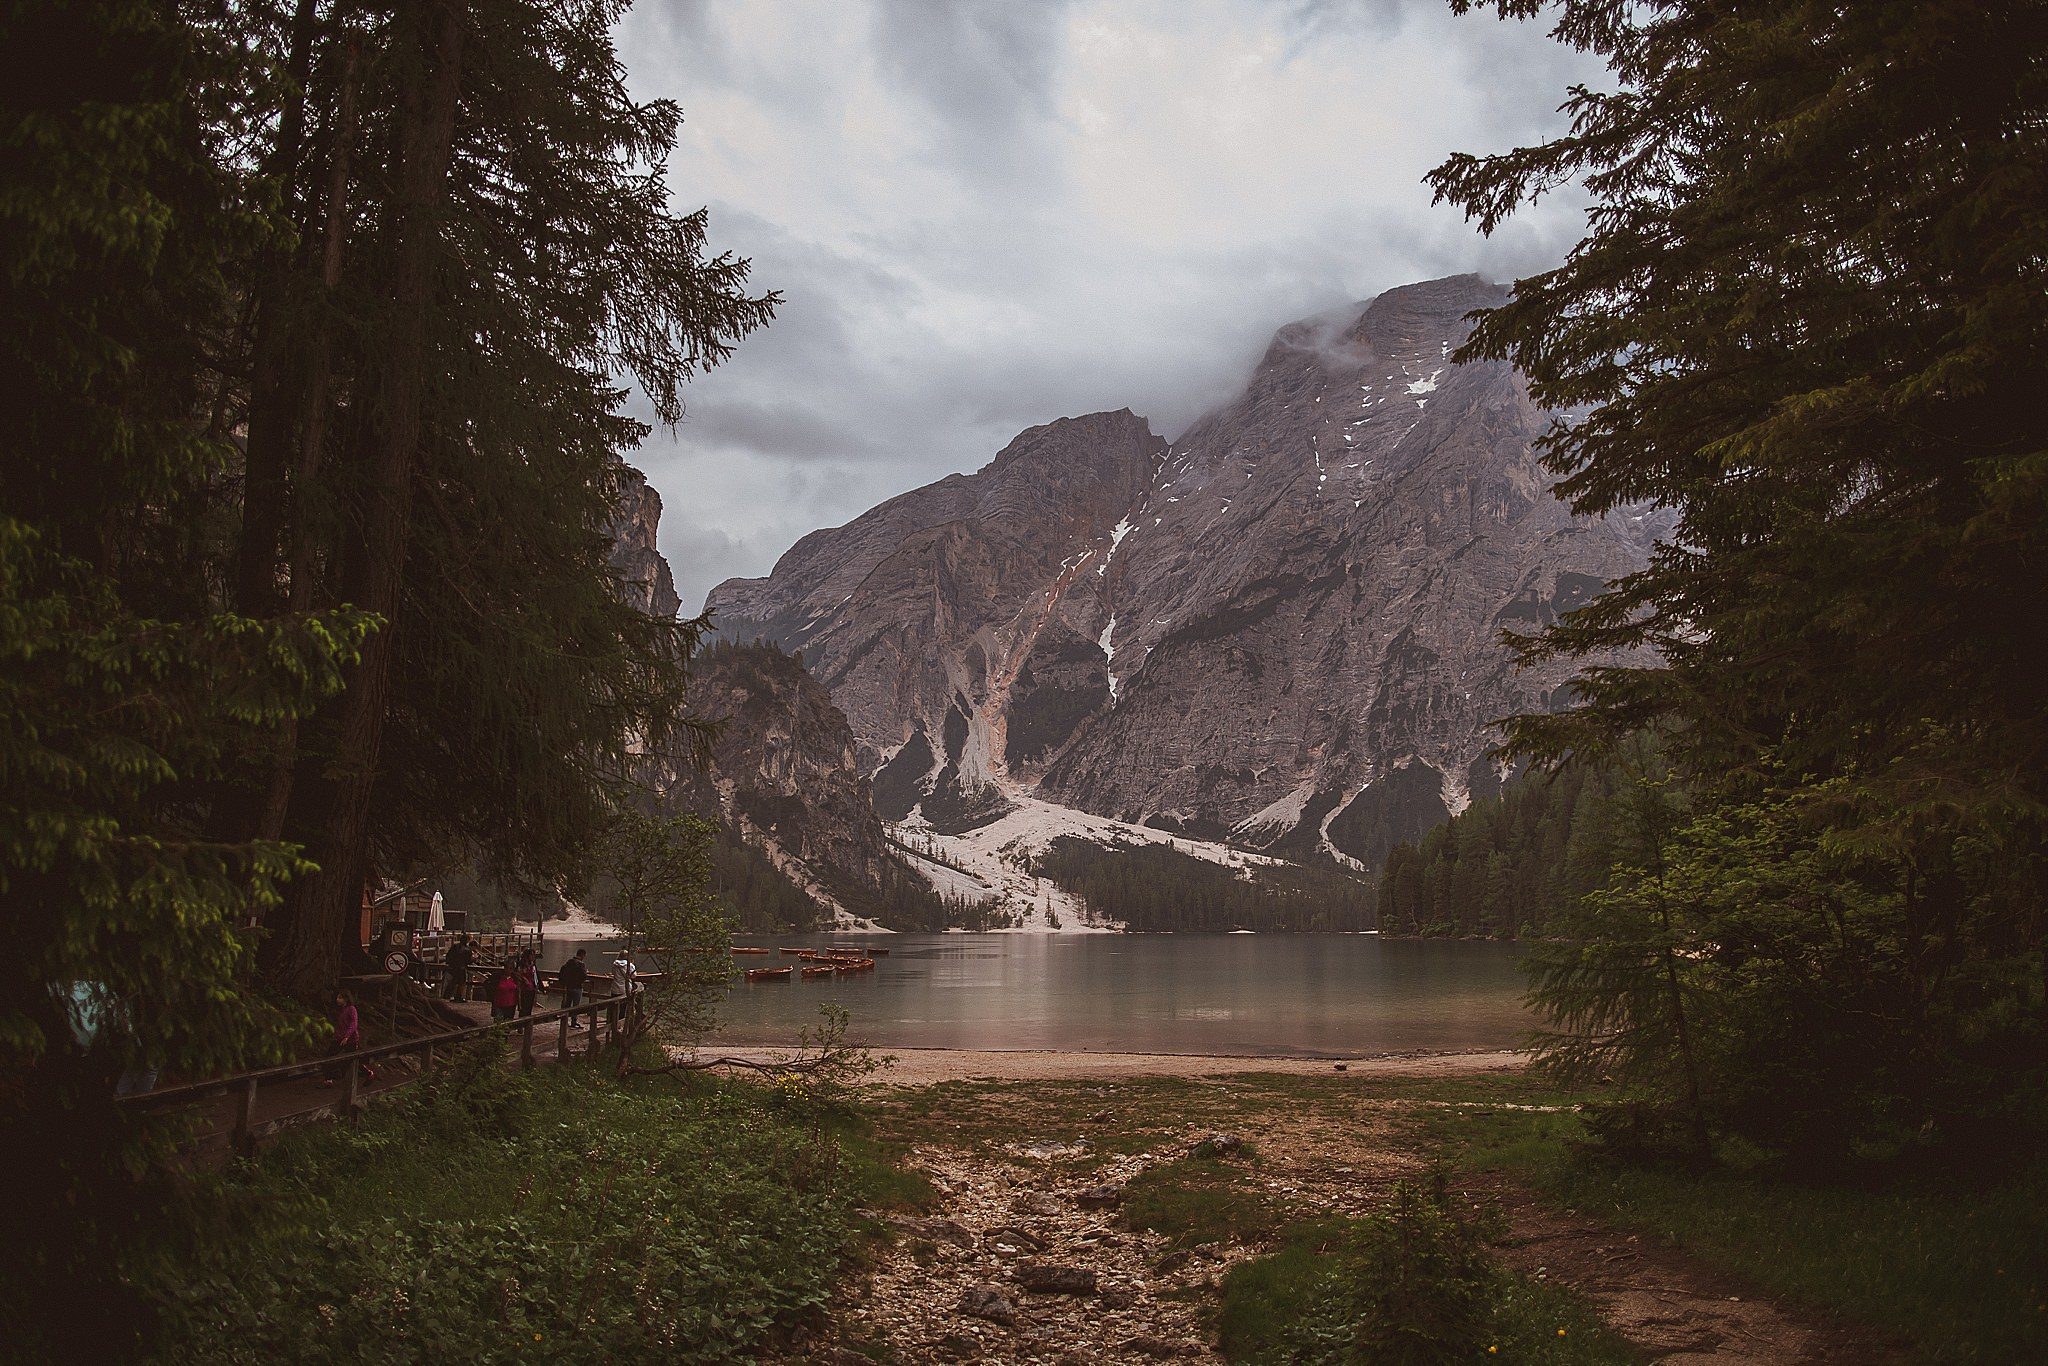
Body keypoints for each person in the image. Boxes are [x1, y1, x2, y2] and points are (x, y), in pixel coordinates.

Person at [322, 989, 375, 1086]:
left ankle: (368, 1073)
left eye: (340, 998)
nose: (337, 1000)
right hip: (339, 1039)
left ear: (346, 999)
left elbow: (353, 1024)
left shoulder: (351, 1009)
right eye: (337, 998)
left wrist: (346, 1037)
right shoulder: (340, 1010)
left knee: (352, 1060)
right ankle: (328, 1080)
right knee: (329, 1056)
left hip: (351, 1040)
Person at [558, 948, 589, 1025]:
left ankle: (564, 1021)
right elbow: (584, 976)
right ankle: (573, 1021)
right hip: (577, 987)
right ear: (582, 955)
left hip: (569, 986)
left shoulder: (569, 962)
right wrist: (580, 981)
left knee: (567, 1004)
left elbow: (562, 972)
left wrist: (564, 982)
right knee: (576, 1006)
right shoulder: (581, 964)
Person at [444, 934, 473, 1002]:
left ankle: (448, 995)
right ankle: (459, 996)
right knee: (462, 983)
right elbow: (468, 961)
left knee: (453, 982)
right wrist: (473, 959)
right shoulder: (468, 949)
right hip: (461, 968)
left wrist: (450, 963)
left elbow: (448, 956)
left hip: (453, 967)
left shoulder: (455, 946)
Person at [514, 949, 539, 1017]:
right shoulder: (521, 965)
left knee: (529, 1008)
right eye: (532, 955)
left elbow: (535, 976)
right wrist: (523, 979)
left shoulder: (533, 965)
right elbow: (516, 974)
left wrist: (536, 986)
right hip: (523, 989)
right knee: (523, 1008)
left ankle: (527, 1025)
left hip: (531, 989)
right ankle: (521, 1025)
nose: (533, 957)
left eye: (534, 955)